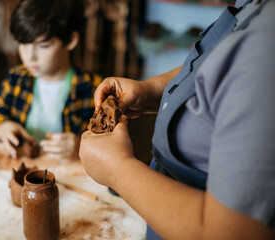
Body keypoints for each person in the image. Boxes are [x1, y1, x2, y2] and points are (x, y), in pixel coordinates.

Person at [79, 0, 275, 239]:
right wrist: (150, 91)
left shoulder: (268, 44)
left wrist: (118, 169)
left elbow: (230, 232)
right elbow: (219, 70)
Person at [0, 0, 102, 159]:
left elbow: (111, 150)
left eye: (43, 46)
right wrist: (3, 130)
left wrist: (81, 146)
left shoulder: (94, 89)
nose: (30, 56)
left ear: (71, 41)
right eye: (23, 44)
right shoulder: (16, 78)